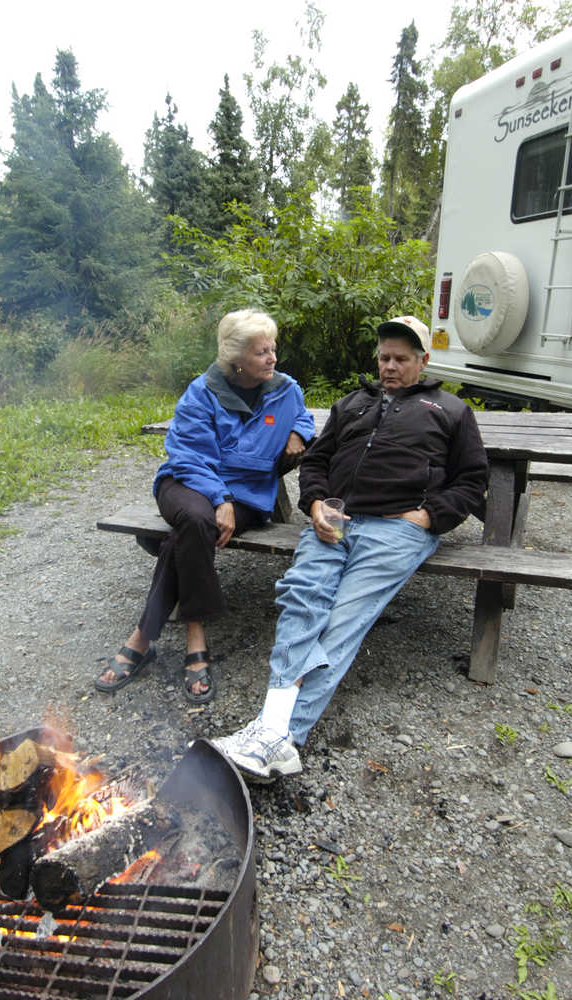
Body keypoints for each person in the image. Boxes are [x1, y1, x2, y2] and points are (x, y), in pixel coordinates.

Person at [213, 315, 489, 779]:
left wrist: (429, 517)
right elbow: (316, 461)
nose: (390, 367)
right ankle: (274, 736)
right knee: (302, 601)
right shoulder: (352, 404)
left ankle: (279, 732)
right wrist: (316, 503)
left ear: (422, 361)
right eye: (384, 358)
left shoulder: (450, 410)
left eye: (402, 359)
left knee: (342, 620)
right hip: (335, 522)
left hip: (397, 530)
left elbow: (472, 480)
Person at [95, 309, 315, 703]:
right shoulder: (201, 392)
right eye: (262, 352)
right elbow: (189, 456)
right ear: (237, 361)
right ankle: (193, 635)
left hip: (248, 495)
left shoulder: (285, 390)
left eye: (272, 349)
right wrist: (220, 498)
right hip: (186, 481)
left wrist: (299, 432)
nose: (272, 358)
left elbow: (301, 415)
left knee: (187, 534)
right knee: (196, 519)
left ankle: (142, 638)